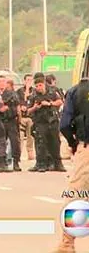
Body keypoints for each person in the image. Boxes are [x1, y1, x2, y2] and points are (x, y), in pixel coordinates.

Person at [54, 77, 89, 252]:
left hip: (86, 149)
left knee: (77, 196)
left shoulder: (76, 91)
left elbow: (65, 125)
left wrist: (73, 143)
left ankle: (67, 244)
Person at [27, 75, 66, 172]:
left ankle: (58, 164)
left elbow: (60, 102)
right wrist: (35, 107)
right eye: (37, 86)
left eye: (40, 85)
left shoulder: (52, 92)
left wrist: (49, 103)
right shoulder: (33, 95)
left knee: (55, 143)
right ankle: (41, 164)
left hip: (52, 121)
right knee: (41, 144)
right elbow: (28, 110)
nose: (38, 88)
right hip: (40, 122)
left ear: (44, 84)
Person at [2, 78, 22, 171]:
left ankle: (15, 162)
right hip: (5, 120)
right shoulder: (0, 93)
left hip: (11, 120)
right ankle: (4, 162)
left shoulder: (14, 94)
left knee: (14, 142)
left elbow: (18, 107)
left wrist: (19, 118)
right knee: (2, 142)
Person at [17, 74, 35, 161]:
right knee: (20, 136)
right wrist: (20, 106)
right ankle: (18, 153)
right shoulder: (19, 91)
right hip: (22, 117)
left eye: (31, 80)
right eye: (28, 80)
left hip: (31, 117)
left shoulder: (34, 91)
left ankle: (30, 153)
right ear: (24, 81)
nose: (29, 82)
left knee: (30, 136)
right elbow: (19, 101)